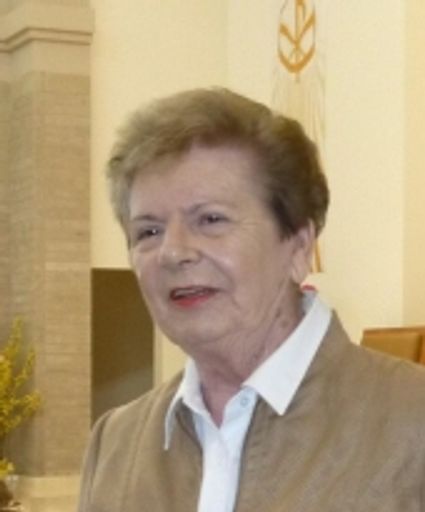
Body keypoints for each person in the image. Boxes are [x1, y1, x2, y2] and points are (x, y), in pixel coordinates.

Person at [78, 88, 425, 512]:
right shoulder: (115, 445)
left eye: (210, 220)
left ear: (299, 246)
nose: (173, 252)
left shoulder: (412, 423)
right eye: (148, 231)